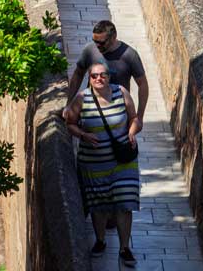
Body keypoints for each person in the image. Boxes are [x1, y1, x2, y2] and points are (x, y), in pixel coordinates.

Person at [65, 62, 140, 265]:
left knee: (125, 203)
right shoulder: (82, 99)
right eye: (94, 76)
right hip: (93, 163)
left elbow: (134, 118)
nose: (99, 78)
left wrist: (132, 131)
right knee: (99, 205)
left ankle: (125, 248)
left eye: (103, 75)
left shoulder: (121, 92)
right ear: (89, 79)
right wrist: (83, 135)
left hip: (123, 161)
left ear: (109, 76)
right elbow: (69, 123)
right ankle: (100, 240)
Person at [65, 20, 149, 131]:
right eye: (95, 41)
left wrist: (139, 117)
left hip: (119, 114)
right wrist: (68, 104)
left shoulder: (130, 55)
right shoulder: (90, 50)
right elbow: (78, 74)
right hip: (92, 112)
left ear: (113, 37)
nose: (97, 46)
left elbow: (143, 85)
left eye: (102, 42)